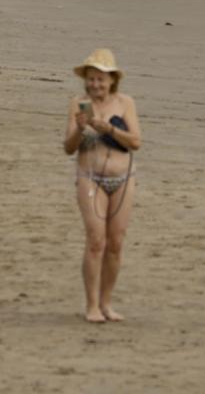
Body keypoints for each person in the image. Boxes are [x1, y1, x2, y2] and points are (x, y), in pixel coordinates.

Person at [62, 49, 141, 324]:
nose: (95, 84)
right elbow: (68, 149)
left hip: (123, 179)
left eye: (101, 79)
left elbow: (136, 142)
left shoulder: (125, 103)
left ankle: (107, 303)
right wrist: (80, 129)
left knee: (116, 243)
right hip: (90, 177)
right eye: (91, 79)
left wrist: (109, 129)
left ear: (112, 80)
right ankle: (92, 305)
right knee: (96, 241)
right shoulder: (78, 104)